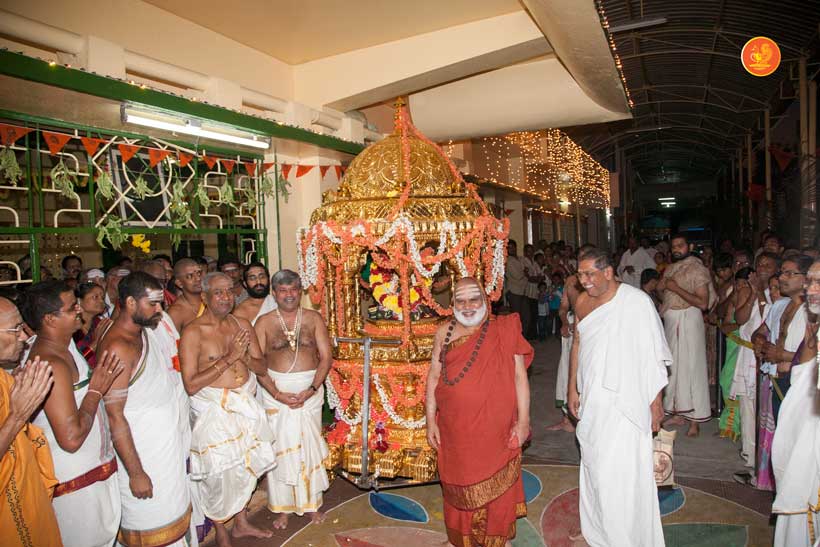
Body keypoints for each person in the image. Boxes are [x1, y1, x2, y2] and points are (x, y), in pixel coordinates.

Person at [567, 248, 669, 547]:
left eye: (589, 274)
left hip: (628, 400)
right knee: (594, 464)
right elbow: (577, 344)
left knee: (623, 471)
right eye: (580, 274)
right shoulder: (582, 301)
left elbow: (654, 356)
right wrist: (572, 388)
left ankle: (626, 536)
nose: (583, 280)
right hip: (593, 397)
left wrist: (656, 404)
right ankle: (596, 529)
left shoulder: (636, 302)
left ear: (609, 272)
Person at [426, 277, 533, 547]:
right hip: (454, 427)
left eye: (474, 299)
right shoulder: (444, 333)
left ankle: (498, 538)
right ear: (452, 304)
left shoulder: (504, 329)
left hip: (495, 426)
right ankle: (459, 538)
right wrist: (430, 422)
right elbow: (434, 376)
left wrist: (523, 422)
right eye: (460, 301)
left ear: (485, 301)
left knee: (498, 483)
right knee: (457, 481)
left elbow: (520, 377)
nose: (468, 306)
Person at [19, 280, 124, 547]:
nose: (79, 309)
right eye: (71, 308)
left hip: (94, 471)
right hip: (74, 483)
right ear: (50, 319)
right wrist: (95, 391)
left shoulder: (65, 346)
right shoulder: (50, 362)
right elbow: (71, 438)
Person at [179, 272, 277, 547]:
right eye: (218, 293)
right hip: (213, 409)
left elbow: (261, 367)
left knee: (244, 466)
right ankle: (221, 529)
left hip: (244, 403)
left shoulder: (242, 325)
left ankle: (241, 523)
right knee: (218, 473)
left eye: (229, 292)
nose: (226, 297)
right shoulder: (193, 332)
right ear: (205, 297)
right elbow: (190, 384)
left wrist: (244, 357)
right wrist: (229, 358)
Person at [97, 272, 192, 546]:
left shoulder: (143, 332)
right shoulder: (118, 347)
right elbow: (114, 415)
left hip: (164, 450)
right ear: (130, 303)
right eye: (152, 304)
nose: (159, 309)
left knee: (172, 519)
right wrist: (136, 473)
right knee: (151, 524)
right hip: (143, 454)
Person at [255, 269, 332, 528]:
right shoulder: (264, 323)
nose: (289, 295)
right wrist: (277, 394)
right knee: (281, 452)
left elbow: (326, 357)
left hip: (309, 393)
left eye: (293, 290)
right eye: (283, 290)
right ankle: (283, 509)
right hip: (277, 395)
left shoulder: (313, 318)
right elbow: (257, 364)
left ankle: (312, 505)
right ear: (274, 293)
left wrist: (312, 389)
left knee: (308, 451)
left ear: (300, 292)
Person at [0, 296, 62, 547]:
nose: (24, 337)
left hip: (30, 504)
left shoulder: (3, 379)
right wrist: (17, 416)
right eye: (15, 329)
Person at [770, 259, 820, 546]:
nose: (811, 289)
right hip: (805, 415)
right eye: (810, 281)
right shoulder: (812, 320)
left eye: (819, 282)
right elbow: (804, 371)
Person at [658, 233, 715, 437]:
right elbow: (663, 293)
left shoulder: (696, 268)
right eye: (673, 246)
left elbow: (703, 303)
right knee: (673, 369)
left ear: (689, 246)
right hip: (671, 321)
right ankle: (678, 412)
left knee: (692, 369)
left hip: (689, 319)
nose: (676, 249)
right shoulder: (671, 268)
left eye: (680, 245)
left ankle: (695, 420)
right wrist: (662, 287)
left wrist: (675, 287)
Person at [73, 281, 111, 368]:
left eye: (102, 297)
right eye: (95, 297)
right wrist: (95, 343)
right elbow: (75, 363)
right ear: (79, 300)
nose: (101, 301)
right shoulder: (71, 327)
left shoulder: (100, 323)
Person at [233, 261, 278, 326]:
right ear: (245, 284)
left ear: (268, 280)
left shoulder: (278, 302)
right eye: (252, 278)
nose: (258, 282)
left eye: (262, 277)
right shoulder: (240, 313)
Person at [167, 258, 205, 333]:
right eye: (190, 276)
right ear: (179, 283)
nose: (198, 278)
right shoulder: (176, 312)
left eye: (199, 273)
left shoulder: (212, 300)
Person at [504, 240, 529, 337]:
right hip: (514, 291)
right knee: (516, 318)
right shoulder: (508, 260)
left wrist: (525, 272)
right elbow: (517, 275)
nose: (511, 249)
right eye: (509, 247)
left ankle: (522, 338)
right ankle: (516, 338)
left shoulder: (520, 258)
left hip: (523, 291)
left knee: (526, 317)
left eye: (512, 247)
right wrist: (525, 272)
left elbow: (528, 270)